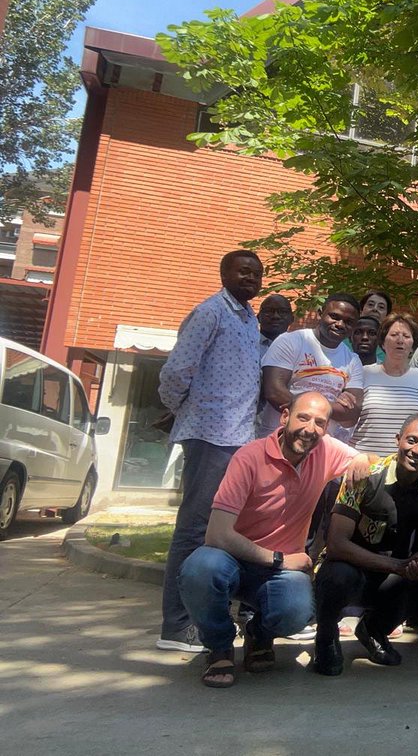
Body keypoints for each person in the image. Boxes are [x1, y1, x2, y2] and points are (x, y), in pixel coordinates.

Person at [177, 392, 373, 688]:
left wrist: (360, 458)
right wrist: (278, 559)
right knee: (199, 569)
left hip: (277, 573)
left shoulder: (325, 450)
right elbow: (217, 533)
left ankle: (258, 634)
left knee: (298, 610)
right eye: (303, 418)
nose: (310, 429)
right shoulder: (249, 457)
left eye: (320, 423)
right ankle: (219, 645)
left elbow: (371, 460)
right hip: (232, 559)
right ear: (285, 417)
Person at [156, 249, 264, 653]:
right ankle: (175, 626)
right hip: (209, 436)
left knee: (224, 532)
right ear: (224, 274)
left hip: (239, 439)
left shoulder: (249, 318)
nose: (250, 278)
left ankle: (207, 618)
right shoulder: (209, 312)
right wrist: (183, 410)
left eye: (257, 273)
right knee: (194, 530)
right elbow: (176, 371)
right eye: (243, 271)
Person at [312, 413, 418, 676]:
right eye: (412, 440)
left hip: (392, 575)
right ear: (398, 439)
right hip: (351, 569)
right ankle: (326, 635)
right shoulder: (365, 474)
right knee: (337, 575)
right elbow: (336, 544)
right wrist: (398, 565)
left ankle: (374, 629)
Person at [260, 293, 365, 441]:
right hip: (280, 439)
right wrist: (330, 408)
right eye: (334, 317)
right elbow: (275, 393)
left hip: (322, 445)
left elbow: (353, 413)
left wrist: (297, 402)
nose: (340, 324)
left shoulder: (353, 360)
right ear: (320, 313)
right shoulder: (290, 341)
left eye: (349, 322)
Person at [350, 313, 418, 453]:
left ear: (413, 345)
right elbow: (347, 419)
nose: (400, 340)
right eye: (394, 335)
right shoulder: (363, 373)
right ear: (382, 342)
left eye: (406, 336)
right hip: (364, 460)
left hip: (408, 462)